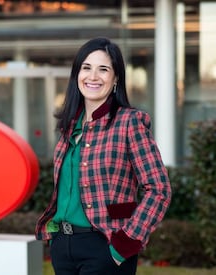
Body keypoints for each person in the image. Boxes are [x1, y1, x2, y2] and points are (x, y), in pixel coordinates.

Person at [35, 37, 172, 275]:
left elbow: (159, 189)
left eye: (103, 69)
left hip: (106, 247)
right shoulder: (70, 127)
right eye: (86, 68)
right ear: (76, 74)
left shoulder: (129, 123)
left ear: (116, 77)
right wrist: (55, 238)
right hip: (62, 247)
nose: (93, 76)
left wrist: (125, 244)